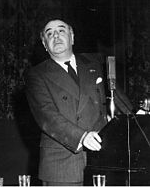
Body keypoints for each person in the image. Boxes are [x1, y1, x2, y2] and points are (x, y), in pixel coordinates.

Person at [24, 19, 133, 186]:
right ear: (45, 44)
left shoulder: (96, 63)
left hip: (103, 160)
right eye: (49, 33)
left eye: (61, 31)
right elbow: (47, 116)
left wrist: (137, 117)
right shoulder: (36, 75)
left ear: (72, 37)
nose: (56, 36)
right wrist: (82, 137)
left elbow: (117, 97)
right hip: (62, 166)